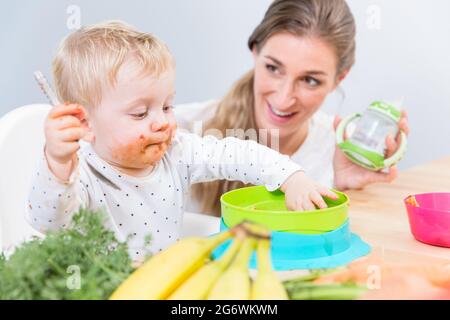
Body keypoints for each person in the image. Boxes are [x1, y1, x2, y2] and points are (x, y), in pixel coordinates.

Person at [26, 21, 337, 261]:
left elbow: (237, 154)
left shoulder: (176, 151)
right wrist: (57, 164)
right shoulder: (79, 175)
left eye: (166, 106)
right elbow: (48, 222)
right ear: (84, 123)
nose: (161, 122)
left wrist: (289, 177)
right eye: (139, 113)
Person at [175, 0, 409, 215]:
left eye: (310, 80)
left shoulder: (337, 153)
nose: (284, 99)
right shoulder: (181, 130)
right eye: (273, 68)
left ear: (338, 79)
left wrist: (343, 190)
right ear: (255, 52)